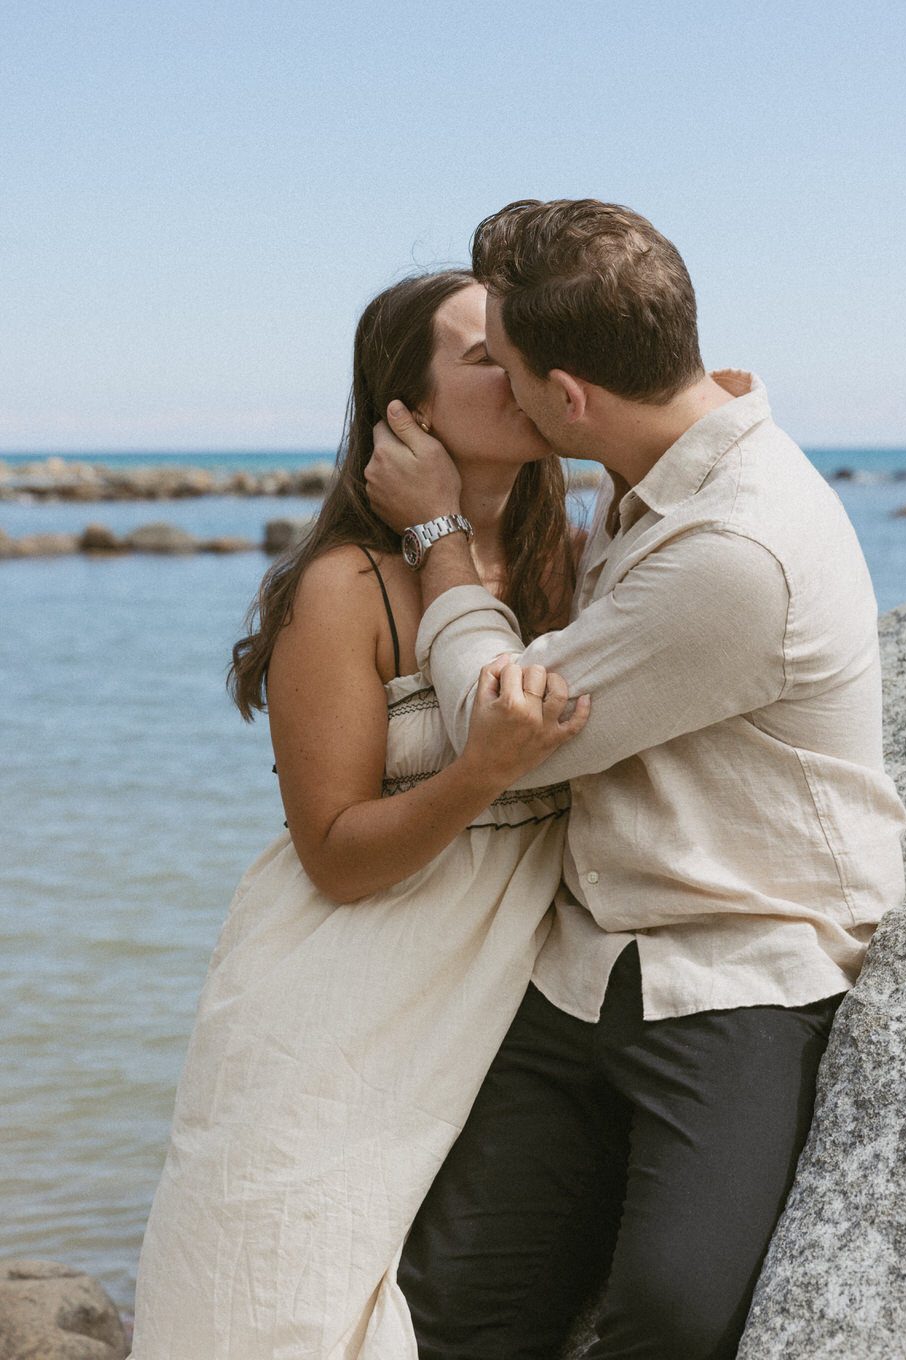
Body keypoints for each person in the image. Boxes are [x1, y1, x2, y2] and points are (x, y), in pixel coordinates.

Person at [364, 199, 906, 1360]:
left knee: (671, 1311)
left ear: (568, 397)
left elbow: (495, 717)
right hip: (577, 964)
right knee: (446, 1305)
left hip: (737, 967)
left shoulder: (734, 549)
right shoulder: (635, 463)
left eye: (504, 371)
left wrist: (437, 539)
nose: (497, 396)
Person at [131, 270, 589, 1360]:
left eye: (521, 346)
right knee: (271, 1305)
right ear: (406, 409)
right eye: (482, 354)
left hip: (492, 1009)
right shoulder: (348, 585)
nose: (515, 366)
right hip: (333, 1004)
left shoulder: (567, 559)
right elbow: (331, 854)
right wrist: (478, 772)